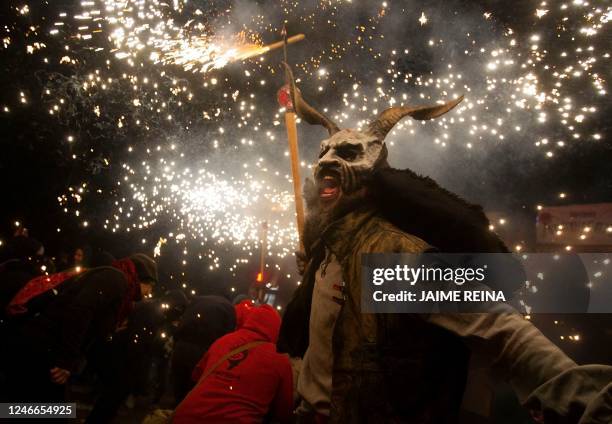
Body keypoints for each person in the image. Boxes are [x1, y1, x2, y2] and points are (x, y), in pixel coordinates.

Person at [277, 64, 612, 423]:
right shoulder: (327, 252)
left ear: (371, 174)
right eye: (324, 152)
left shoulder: (390, 259)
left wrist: (584, 399)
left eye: (345, 154)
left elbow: (502, 330)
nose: (326, 161)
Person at [1, 253, 158, 403]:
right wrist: (66, 361)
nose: (149, 292)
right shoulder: (116, 278)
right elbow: (80, 311)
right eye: (149, 285)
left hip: (45, 346)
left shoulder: (118, 285)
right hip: (44, 348)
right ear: (139, 278)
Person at [173, 304, 293, 423]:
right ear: (277, 328)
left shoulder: (223, 340)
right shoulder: (279, 357)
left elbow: (196, 376)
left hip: (186, 417)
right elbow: (284, 410)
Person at [170, 295, 236, 403]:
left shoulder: (198, 301)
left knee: (179, 391)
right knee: (194, 394)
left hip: (181, 348)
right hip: (203, 353)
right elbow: (227, 337)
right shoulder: (229, 309)